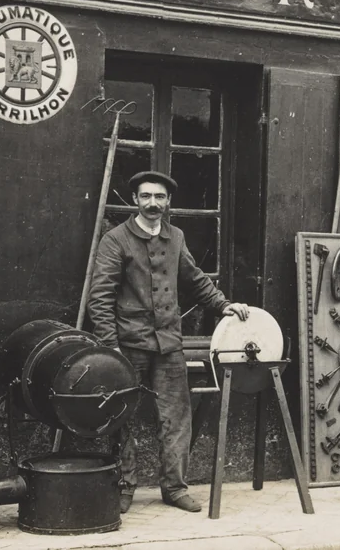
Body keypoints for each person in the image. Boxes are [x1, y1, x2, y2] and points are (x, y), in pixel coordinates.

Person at [87, 170, 249, 514]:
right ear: (135, 200)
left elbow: (195, 279)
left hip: (169, 346)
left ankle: (175, 488)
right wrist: (109, 346)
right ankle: (124, 486)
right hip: (128, 347)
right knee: (120, 418)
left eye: (159, 197)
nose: (152, 203)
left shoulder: (175, 237)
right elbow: (99, 297)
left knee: (176, 417)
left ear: (168, 202)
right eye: (146, 196)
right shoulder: (115, 240)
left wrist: (224, 305)